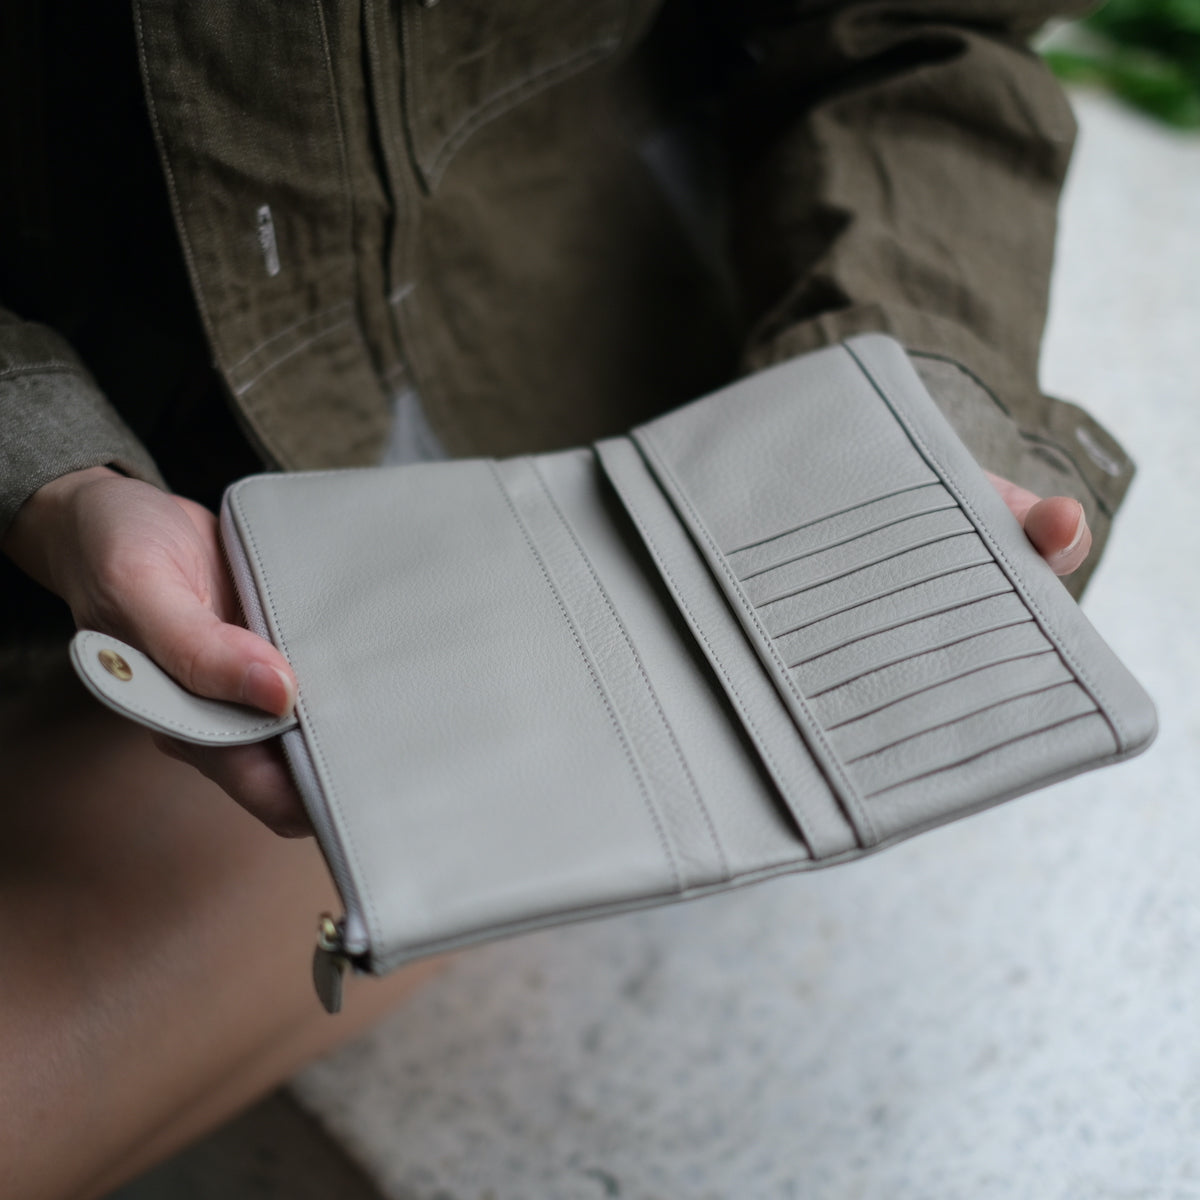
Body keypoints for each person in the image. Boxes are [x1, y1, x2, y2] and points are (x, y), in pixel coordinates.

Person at [0, 2, 1130, 1195]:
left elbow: (925, 34)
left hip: (664, 453)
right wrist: (51, 475)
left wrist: (891, 422)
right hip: (166, 552)